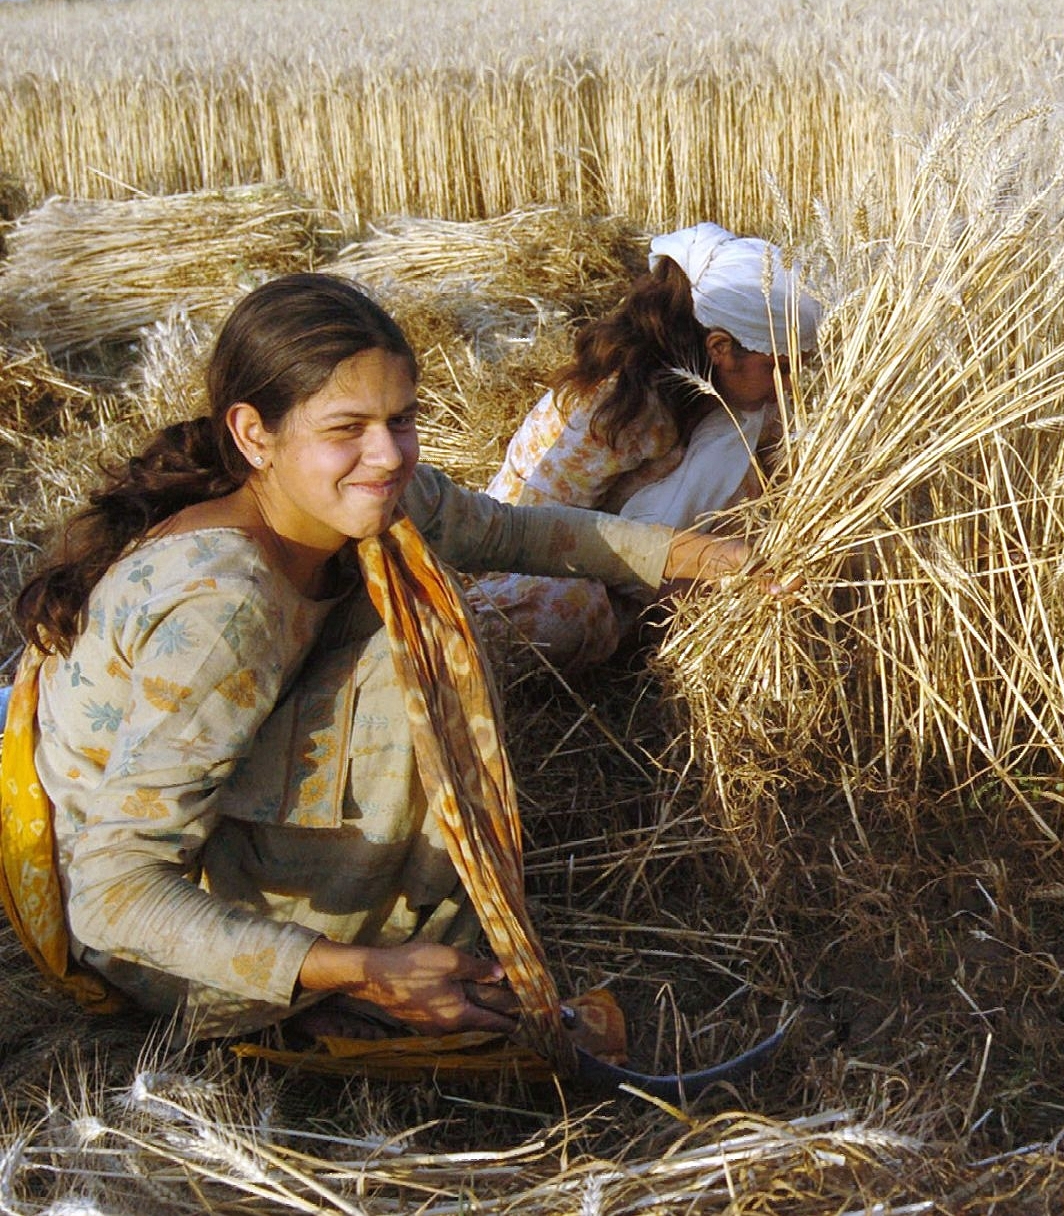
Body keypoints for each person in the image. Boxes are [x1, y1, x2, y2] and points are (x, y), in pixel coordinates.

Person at [0, 273, 753, 1046]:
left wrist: (699, 556)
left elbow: (505, 533)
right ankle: (345, 978)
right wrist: (359, 969)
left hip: (189, 854)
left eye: (402, 419)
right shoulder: (224, 612)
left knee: (415, 603)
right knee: (409, 665)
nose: (386, 454)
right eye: (347, 428)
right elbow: (112, 892)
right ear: (254, 433)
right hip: (150, 942)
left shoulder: (343, 498)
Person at [471, 222, 822, 671]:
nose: (791, 385)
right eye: (783, 367)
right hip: (548, 564)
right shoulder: (617, 408)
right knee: (570, 612)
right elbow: (535, 534)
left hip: (659, 566)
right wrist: (674, 576)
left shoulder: (748, 399)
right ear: (721, 349)